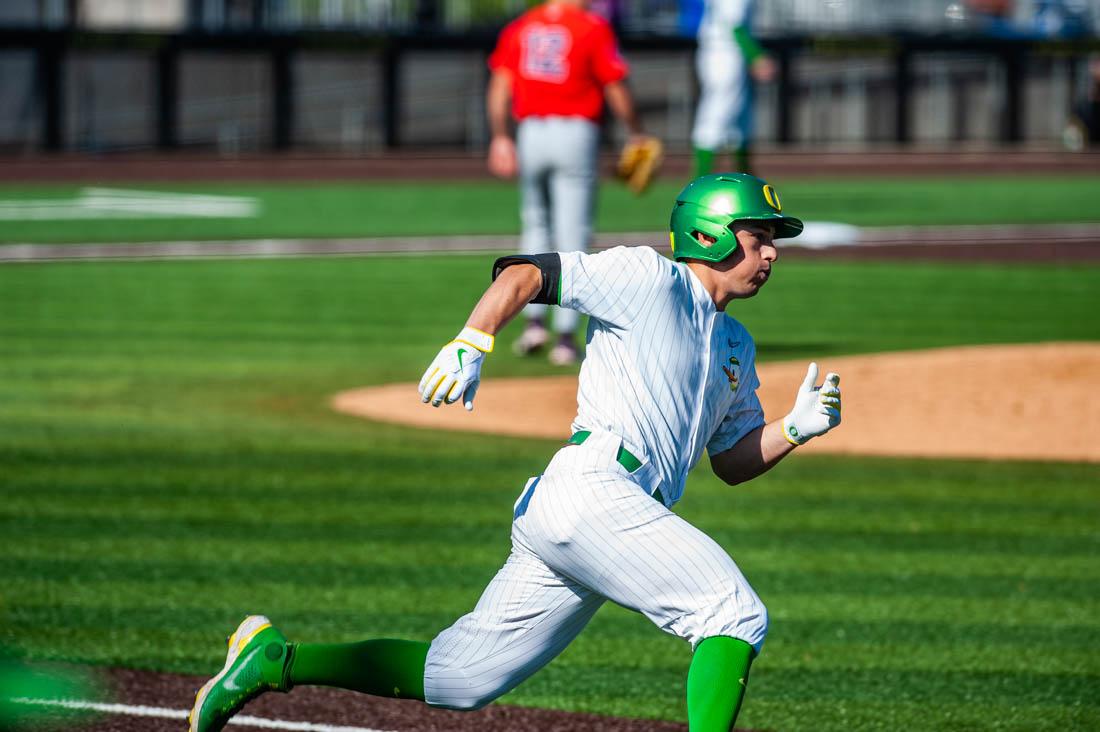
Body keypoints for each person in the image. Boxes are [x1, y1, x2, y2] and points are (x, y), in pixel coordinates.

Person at [187, 173, 843, 732]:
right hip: (594, 490)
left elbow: (730, 462)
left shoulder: (736, 346)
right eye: (761, 236)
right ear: (710, 233)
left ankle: (275, 660)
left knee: (456, 678)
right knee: (730, 611)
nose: (772, 253)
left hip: (602, 516)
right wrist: (473, 340)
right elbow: (528, 273)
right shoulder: (644, 277)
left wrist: (794, 428)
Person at [486, 0, 649, 366]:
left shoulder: (522, 26)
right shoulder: (590, 26)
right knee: (573, 234)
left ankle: (532, 322)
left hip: (531, 131)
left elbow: (499, 86)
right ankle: (564, 336)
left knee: (535, 226)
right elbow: (615, 86)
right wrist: (637, 131)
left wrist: (500, 136)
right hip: (575, 131)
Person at [692, 0, 776, 177]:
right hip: (724, 54)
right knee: (714, 119)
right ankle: (698, 183)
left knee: (739, 122)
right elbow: (735, 25)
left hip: (724, 52)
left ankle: (749, 182)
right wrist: (756, 56)